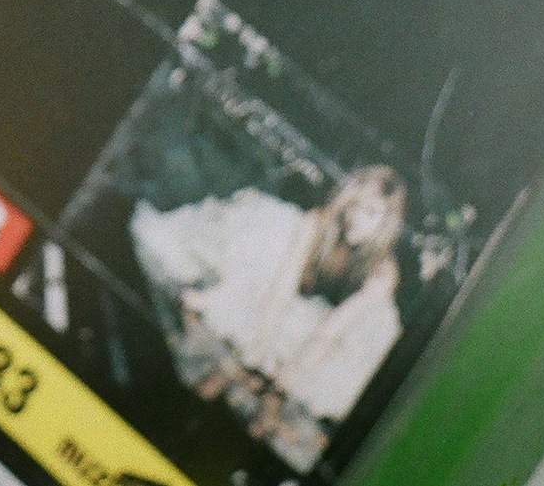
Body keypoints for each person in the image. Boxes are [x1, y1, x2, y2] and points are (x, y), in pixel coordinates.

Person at [130, 166, 408, 472]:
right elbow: (280, 291)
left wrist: (289, 376)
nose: (356, 218)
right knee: (238, 350)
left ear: (386, 222)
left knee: (288, 387)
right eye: (354, 206)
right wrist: (260, 344)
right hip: (286, 299)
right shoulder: (318, 223)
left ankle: (231, 453)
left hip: (333, 334)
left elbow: (331, 332)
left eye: (370, 213)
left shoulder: (382, 273)